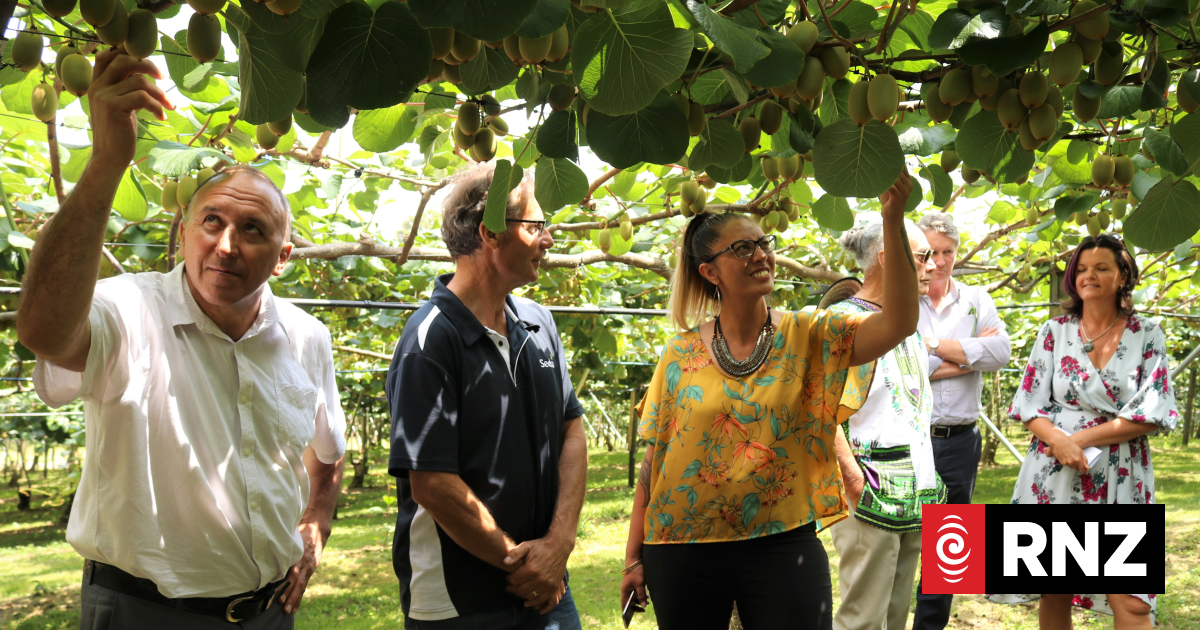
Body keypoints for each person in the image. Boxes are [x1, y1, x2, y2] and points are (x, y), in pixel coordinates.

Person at [17, 46, 346, 629]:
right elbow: (43, 331)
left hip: (270, 613)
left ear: (282, 257)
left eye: (252, 229)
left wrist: (317, 519)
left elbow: (328, 455)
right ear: (185, 230)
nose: (226, 244)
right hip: (142, 612)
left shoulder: (306, 337)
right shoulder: (126, 309)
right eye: (212, 222)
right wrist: (105, 165)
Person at [619, 169, 918, 630]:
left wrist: (893, 222)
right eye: (743, 248)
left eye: (764, 244)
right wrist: (632, 558)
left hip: (781, 542)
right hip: (681, 546)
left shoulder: (808, 333)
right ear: (709, 271)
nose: (761, 254)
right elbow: (655, 461)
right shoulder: (680, 352)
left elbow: (898, 322)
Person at [386, 164, 588, 630]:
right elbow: (432, 483)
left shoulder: (539, 322)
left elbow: (570, 428)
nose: (549, 239)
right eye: (536, 226)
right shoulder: (430, 340)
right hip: (462, 603)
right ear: (491, 233)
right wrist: (526, 564)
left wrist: (558, 546)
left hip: (547, 588)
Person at [986, 234, 1176, 629]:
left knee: (1132, 597)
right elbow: (1028, 404)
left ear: (1123, 276)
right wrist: (1058, 441)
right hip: (1055, 469)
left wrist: (1078, 440)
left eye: (1102, 268)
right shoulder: (1054, 332)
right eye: (1082, 269)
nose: (1090, 275)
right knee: (1056, 585)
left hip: (1122, 473)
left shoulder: (1148, 333)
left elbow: (1153, 410)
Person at [826, 220, 946, 630]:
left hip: (910, 492)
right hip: (870, 491)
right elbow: (819, 408)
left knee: (896, 616)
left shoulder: (904, 323)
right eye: (922, 256)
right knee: (863, 619)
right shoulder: (843, 322)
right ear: (886, 259)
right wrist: (852, 481)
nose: (934, 266)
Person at [912, 213, 1011, 630]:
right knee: (897, 542)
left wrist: (931, 346)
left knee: (948, 553)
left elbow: (1001, 353)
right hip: (909, 438)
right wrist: (968, 357)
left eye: (947, 251)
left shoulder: (976, 298)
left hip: (959, 441)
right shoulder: (899, 299)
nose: (938, 260)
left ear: (956, 252)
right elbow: (902, 366)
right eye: (929, 252)